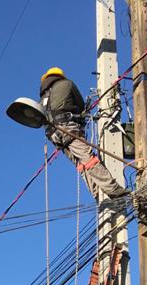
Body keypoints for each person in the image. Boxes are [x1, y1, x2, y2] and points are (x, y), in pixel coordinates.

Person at [39, 67, 128, 203]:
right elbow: (80, 106)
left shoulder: (43, 98)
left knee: (81, 164)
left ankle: (97, 193)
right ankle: (113, 189)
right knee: (88, 159)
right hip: (67, 127)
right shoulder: (66, 84)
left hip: (53, 135)